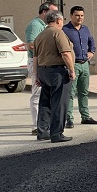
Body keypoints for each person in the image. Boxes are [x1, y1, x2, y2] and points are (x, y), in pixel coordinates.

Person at [33, 10, 75, 143]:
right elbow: (65, 53)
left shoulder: (40, 35)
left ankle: (43, 131)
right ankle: (57, 133)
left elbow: (35, 58)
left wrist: (36, 75)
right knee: (60, 102)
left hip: (43, 71)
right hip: (58, 71)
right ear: (58, 20)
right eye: (62, 20)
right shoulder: (58, 33)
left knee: (45, 102)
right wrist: (71, 70)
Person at [62, 6, 97, 128]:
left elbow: (91, 41)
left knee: (83, 92)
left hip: (85, 65)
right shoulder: (65, 30)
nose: (80, 18)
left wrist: (91, 52)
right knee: (70, 93)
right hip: (73, 65)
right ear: (71, 16)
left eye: (82, 15)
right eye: (77, 15)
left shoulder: (85, 29)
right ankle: (69, 119)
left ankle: (85, 116)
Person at [24, 2, 58, 135]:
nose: (55, 15)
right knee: (37, 94)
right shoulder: (35, 25)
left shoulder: (46, 26)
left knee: (46, 94)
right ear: (44, 12)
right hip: (36, 61)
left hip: (45, 61)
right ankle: (36, 126)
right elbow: (31, 45)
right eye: (53, 12)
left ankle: (45, 123)